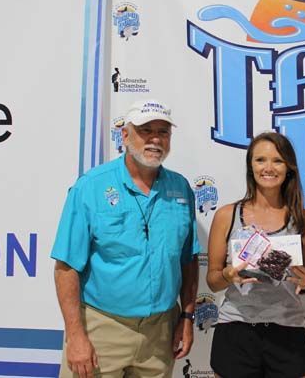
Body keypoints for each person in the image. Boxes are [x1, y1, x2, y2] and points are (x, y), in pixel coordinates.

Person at [52, 99, 200, 378]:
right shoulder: (91, 187)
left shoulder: (180, 189)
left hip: (160, 333)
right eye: (145, 130)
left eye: (163, 132)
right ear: (125, 135)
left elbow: (188, 260)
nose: (155, 139)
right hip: (102, 328)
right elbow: (66, 268)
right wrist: (75, 335)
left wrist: (187, 317)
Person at [207, 131, 305, 378]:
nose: (268, 168)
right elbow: (213, 281)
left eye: (277, 160)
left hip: (287, 331)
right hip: (235, 330)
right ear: (251, 166)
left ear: (289, 167)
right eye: (260, 160)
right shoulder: (228, 215)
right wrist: (228, 275)